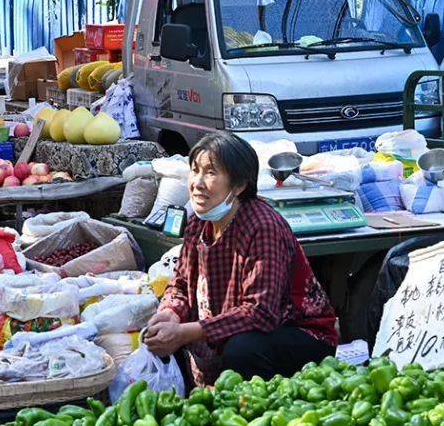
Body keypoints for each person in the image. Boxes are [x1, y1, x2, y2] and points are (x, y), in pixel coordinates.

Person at [144, 131, 338, 384]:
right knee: (165, 335)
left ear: (239, 185)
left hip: (296, 333)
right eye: (195, 170)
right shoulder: (198, 223)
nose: (198, 183)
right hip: (236, 327)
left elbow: (260, 314)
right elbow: (180, 283)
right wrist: (170, 313)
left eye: (211, 173)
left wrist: (185, 332)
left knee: (242, 350)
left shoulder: (263, 226)